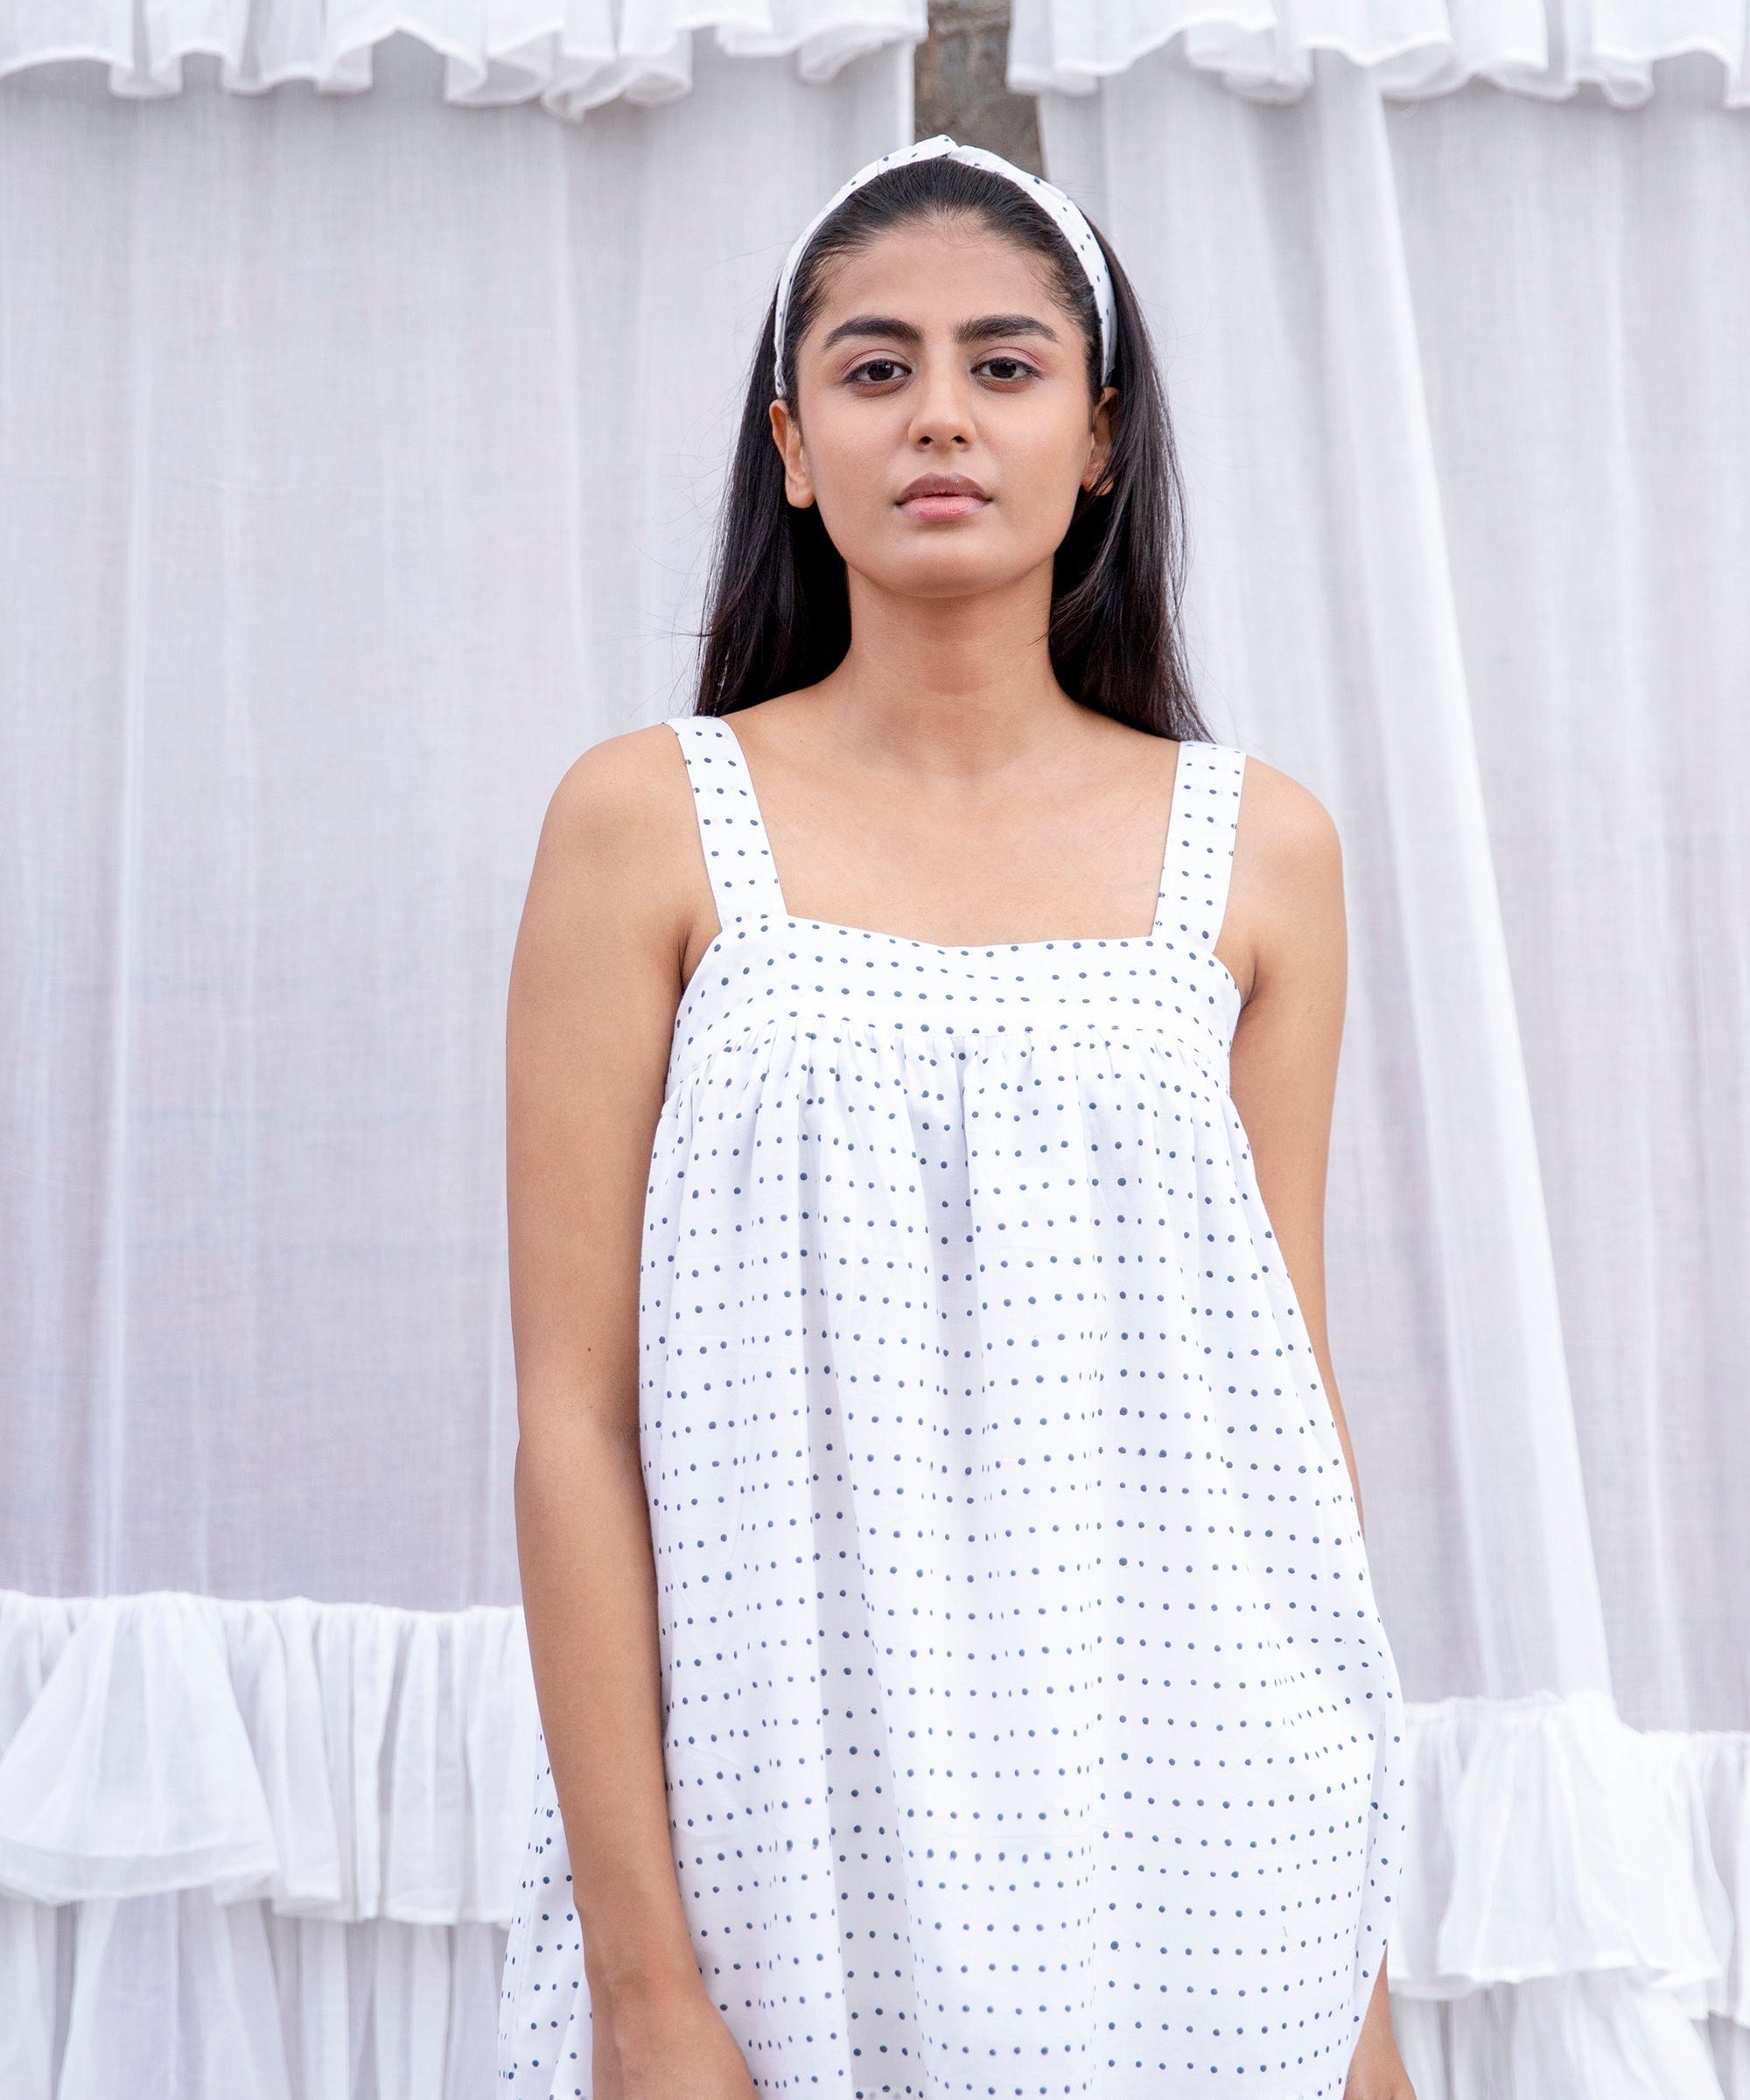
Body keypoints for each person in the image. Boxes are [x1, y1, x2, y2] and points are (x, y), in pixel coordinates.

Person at [498, 136, 1412, 2100]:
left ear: (1100, 436)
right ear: (791, 443)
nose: (939, 416)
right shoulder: (644, 822)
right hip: (783, 1841)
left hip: (1202, 1852)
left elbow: (1281, 1415)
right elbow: (574, 1424)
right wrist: (646, 1990)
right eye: (874, 366)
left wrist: (1356, 1981)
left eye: (1004, 365)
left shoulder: (1260, 850)